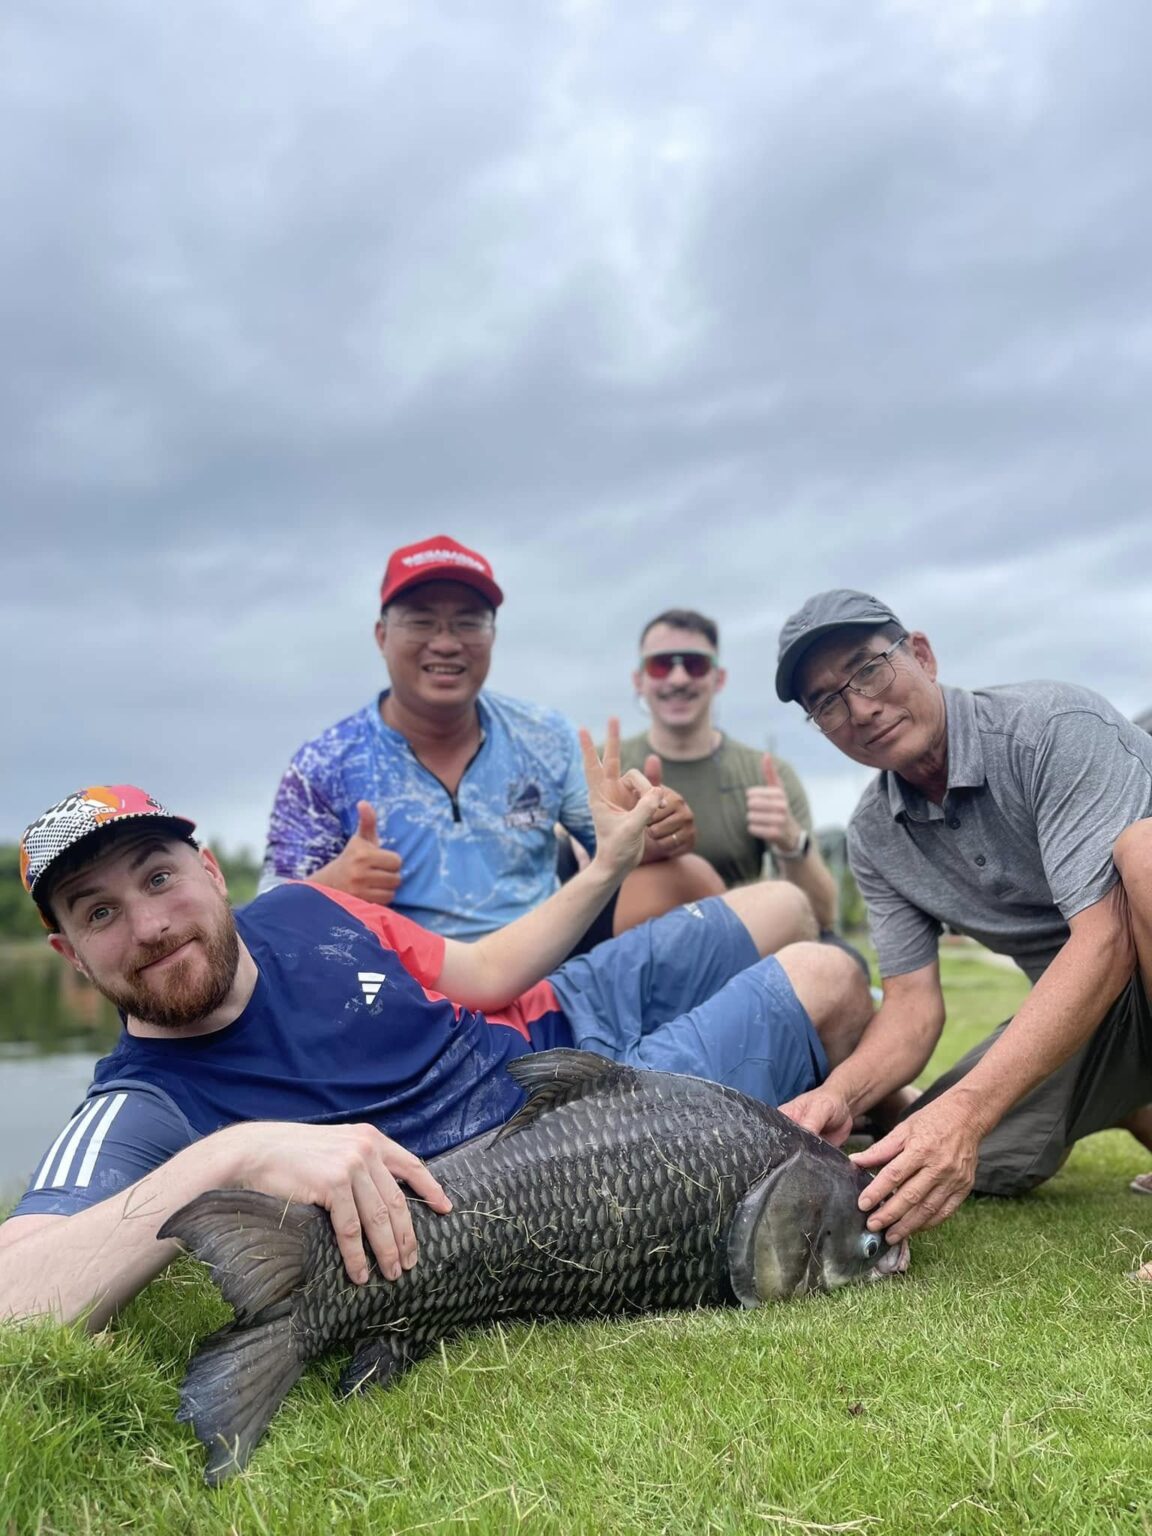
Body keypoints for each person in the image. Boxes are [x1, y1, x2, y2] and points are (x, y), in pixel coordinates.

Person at [0, 767, 873, 1328]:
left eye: (157, 877)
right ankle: (825, 1100)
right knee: (830, 978)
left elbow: (485, 972)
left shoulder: (307, 907)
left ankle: (846, 1108)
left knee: (784, 909)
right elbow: (13, 1300)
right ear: (69, 953)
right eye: (99, 911)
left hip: (552, 1028)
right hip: (566, 1149)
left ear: (209, 874)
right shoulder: (141, 1102)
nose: (149, 925)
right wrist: (231, 1152)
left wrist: (609, 864)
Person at [772, 588, 1152, 1277]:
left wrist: (968, 1113)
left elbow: (1107, 940)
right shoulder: (874, 834)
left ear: (921, 654)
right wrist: (842, 1095)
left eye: (867, 669)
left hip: (1125, 954)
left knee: (1146, 858)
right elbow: (913, 1005)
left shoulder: (1052, 726)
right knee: (915, 1153)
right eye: (826, 702)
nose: (859, 708)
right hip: (1095, 1016)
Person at [260, 536, 729, 955]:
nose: (445, 644)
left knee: (691, 877)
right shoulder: (324, 764)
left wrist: (657, 831)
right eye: (421, 622)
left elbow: (616, 850)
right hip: (403, 981)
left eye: (468, 623)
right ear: (382, 636)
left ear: (493, 637)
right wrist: (329, 889)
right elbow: (263, 920)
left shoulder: (544, 735)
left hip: (545, 955)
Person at [618, 608, 839, 928]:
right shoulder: (604, 771)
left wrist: (792, 843)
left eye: (695, 665)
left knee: (843, 959)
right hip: (622, 952)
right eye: (661, 665)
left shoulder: (767, 776)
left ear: (718, 678)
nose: (678, 679)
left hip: (740, 950)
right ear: (639, 680)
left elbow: (822, 919)